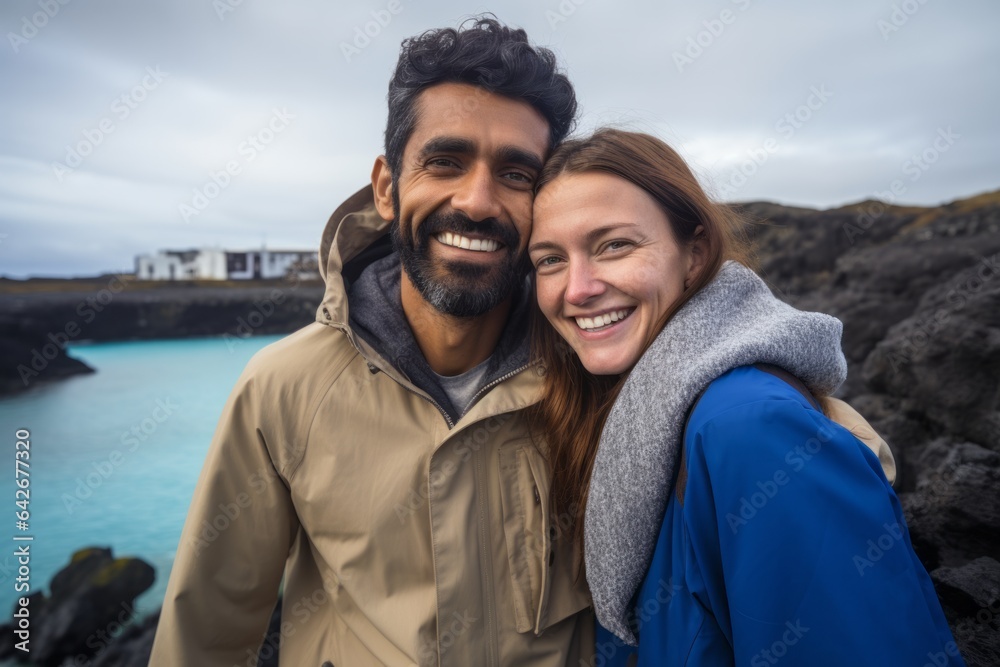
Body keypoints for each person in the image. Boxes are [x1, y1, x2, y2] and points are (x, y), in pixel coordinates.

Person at [148, 17, 596, 666]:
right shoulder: (282, 388)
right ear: (386, 188)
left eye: (517, 174)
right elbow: (205, 636)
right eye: (444, 161)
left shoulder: (597, 376)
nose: (476, 200)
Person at [528, 128, 964, 666]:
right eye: (549, 259)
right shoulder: (625, 409)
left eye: (615, 245)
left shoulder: (752, 431)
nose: (577, 288)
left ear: (695, 254)